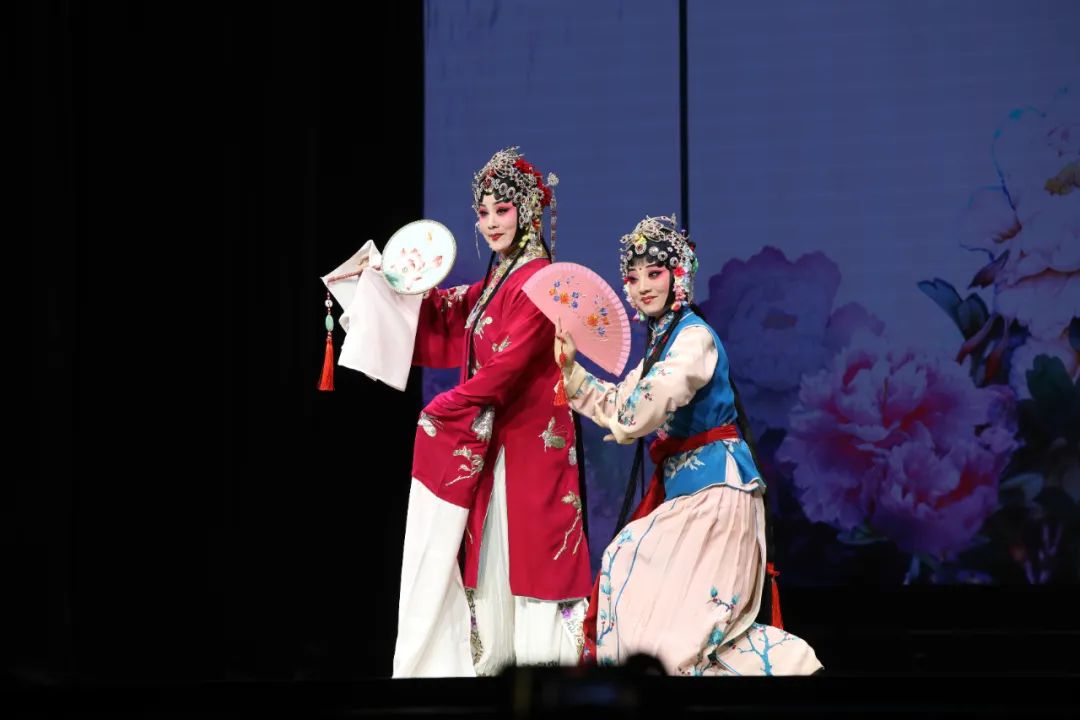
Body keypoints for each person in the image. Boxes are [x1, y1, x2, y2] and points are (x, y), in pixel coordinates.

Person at [554, 215, 822, 676]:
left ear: (678, 276)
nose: (642, 287)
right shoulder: (661, 344)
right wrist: (570, 371)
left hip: (718, 495)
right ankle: (789, 667)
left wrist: (627, 419)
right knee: (665, 608)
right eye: (633, 278)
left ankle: (788, 668)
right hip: (692, 497)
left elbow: (647, 403)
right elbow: (622, 403)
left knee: (677, 625)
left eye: (654, 273)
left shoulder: (693, 339)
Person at [391, 147, 591, 677]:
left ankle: (551, 683)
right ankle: (494, 676)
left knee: (535, 560)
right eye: (483, 213)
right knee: (493, 559)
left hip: (533, 442)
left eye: (503, 210)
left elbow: (509, 365)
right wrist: (387, 286)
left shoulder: (542, 278)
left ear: (526, 211)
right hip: (499, 441)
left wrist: (446, 406)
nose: (492, 223)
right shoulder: (501, 279)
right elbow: (449, 316)